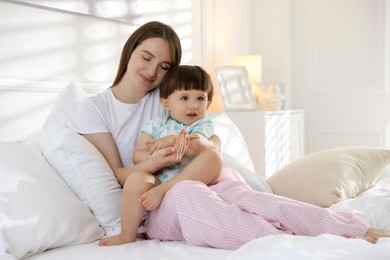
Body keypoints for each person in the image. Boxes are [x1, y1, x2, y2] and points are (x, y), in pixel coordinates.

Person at [76, 20, 390, 250]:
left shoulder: (170, 95)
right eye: (146, 58)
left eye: (164, 66)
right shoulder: (97, 108)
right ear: (130, 51)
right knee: (188, 194)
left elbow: (209, 142)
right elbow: (122, 172)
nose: (153, 72)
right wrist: (160, 160)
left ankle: (355, 228)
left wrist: (204, 146)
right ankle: (294, 243)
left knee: (258, 199)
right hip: (168, 189)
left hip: (209, 174)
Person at [100, 65, 222, 246]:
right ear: (166, 104)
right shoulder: (156, 126)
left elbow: (199, 141)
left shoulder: (202, 124)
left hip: (189, 184)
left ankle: (164, 190)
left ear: (208, 104)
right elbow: (138, 155)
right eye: (185, 98)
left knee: (213, 157)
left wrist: (175, 140)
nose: (193, 105)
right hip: (158, 184)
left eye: (200, 98)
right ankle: (127, 234)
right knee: (136, 179)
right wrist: (154, 158)